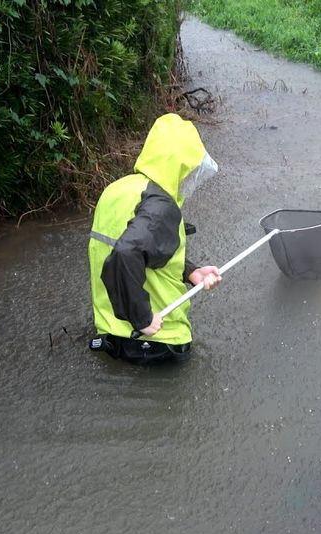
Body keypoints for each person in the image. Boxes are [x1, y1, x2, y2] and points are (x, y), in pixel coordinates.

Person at [88, 113, 221, 365]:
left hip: (111, 335)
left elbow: (136, 247)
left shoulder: (116, 190)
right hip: (159, 341)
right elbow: (126, 252)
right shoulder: (161, 205)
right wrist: (142, 317)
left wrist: (191, 271)